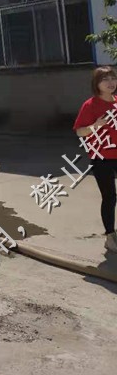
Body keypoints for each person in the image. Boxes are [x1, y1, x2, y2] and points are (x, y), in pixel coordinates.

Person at [73, 66, 117, 253]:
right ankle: (110, 236)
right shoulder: (90, 105)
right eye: (105, 79)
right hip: (102, 158)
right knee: (109, 197)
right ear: (96, 84)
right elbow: (79, 132)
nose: (110, 82)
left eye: (113, 78)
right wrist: (95, 125)